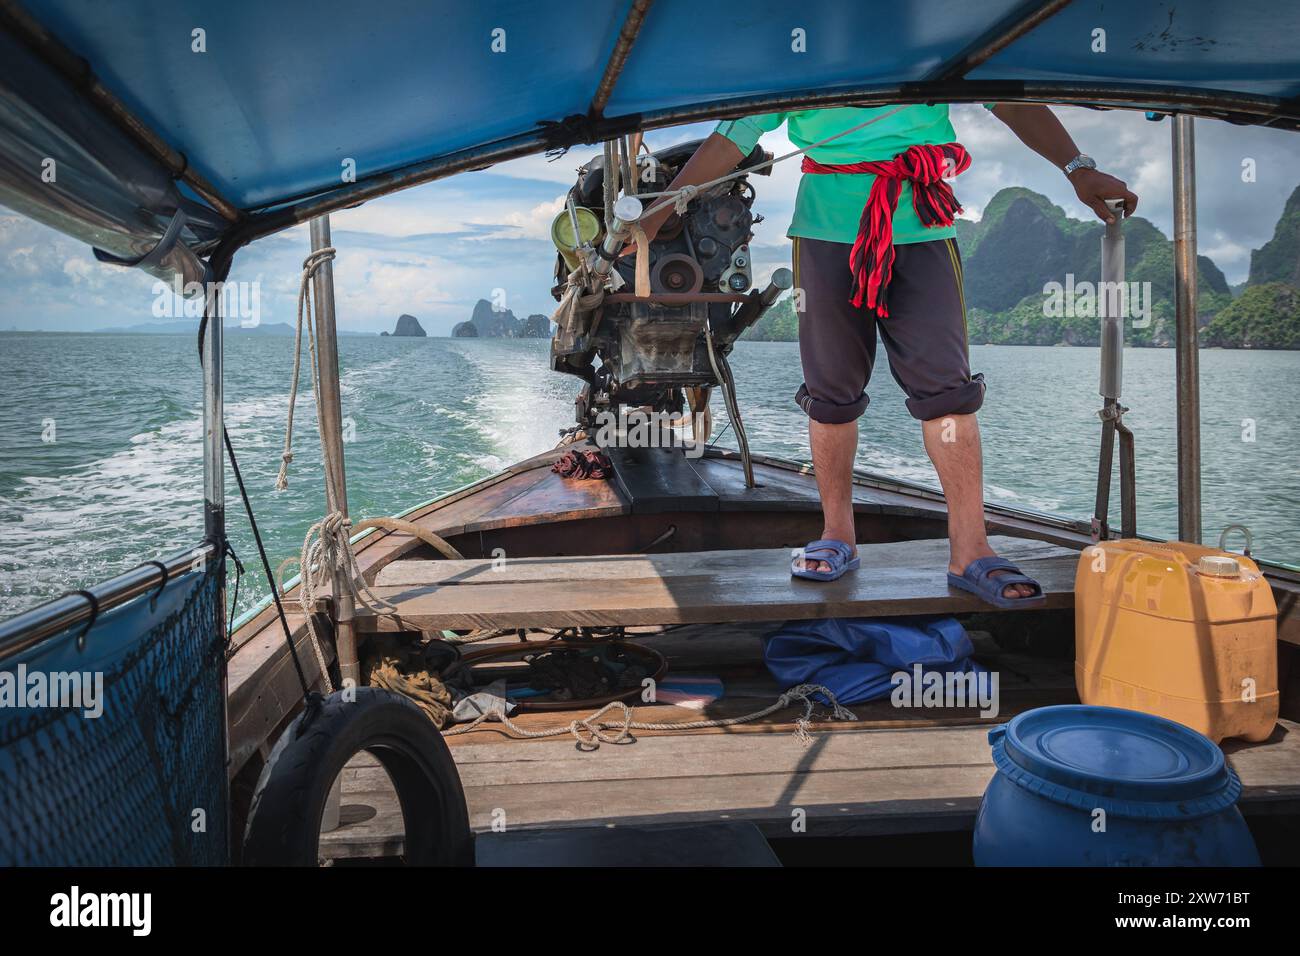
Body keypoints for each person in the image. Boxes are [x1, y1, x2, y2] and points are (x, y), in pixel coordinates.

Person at [638, 103, 1138, 605]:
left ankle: (970, 548)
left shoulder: (937, 29)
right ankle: (838, 534)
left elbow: (1006, 98)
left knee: (948, 394)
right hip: (825, 230)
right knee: (831, 390)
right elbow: (740, 128)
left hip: (923, 226)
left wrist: (1079, 169)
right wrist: (662, 206)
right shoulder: (797, 38)